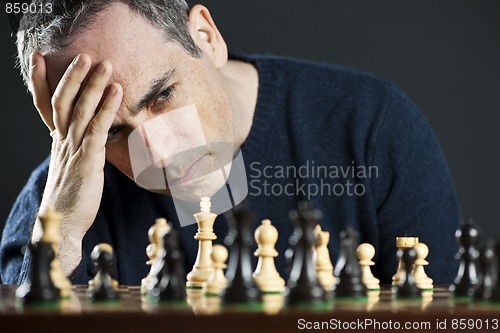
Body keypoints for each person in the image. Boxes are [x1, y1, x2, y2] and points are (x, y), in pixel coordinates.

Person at [0, 0, 460, 286]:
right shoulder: (53, 212)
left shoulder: (370, 129)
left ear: (206, 37)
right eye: (112, 130)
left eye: (163, 94)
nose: (159, 154)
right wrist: (60, 233)